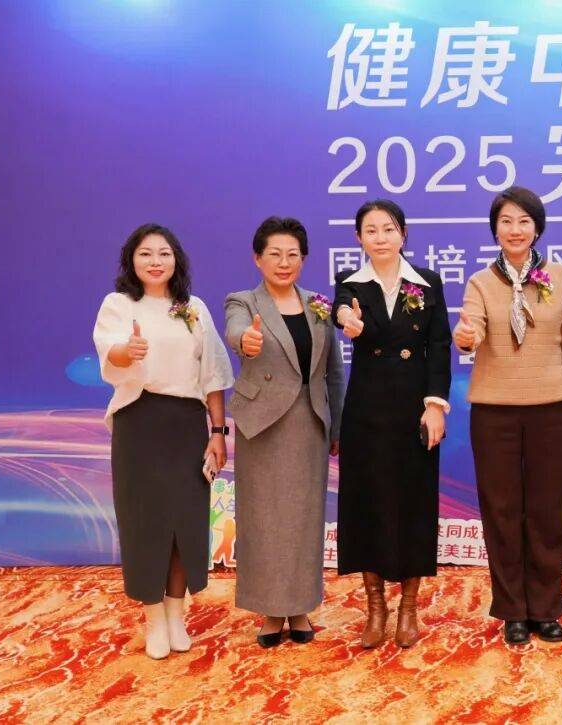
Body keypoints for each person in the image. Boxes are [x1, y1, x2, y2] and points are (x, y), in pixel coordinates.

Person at [452, 186, 562, 645]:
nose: (515, 230)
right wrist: (465, 337)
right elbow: (471, 330)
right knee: (502, 511)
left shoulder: (560, 276)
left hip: (552, 408)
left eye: (524, 221)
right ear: (495, 229)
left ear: (537, 228)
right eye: (506, 221)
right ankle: (513, 609)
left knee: (548, 511)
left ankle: (546, 608)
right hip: (494, 414)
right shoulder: (480, 282)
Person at [93, 223, 233, 659]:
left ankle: (176, 614)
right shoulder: (119, 304)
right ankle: (154, 617)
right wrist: (128, 351)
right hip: (139, 421)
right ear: (131, 261)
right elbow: (110, 352)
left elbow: (212, 375)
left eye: (164, 253)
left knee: (185, 523)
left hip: (187, 424)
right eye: (146, 254)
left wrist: (217, 432)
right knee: (145, 522)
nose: (155, 262)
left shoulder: (194, 308)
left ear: (176, 260)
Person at [333, 199, 452, 648]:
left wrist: (435, 405)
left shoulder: (427, 281)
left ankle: (408, 609)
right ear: (359, 238)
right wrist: (347, 320)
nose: (380, 238)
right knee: (367, 504)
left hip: (414, 409)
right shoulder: (350, 282)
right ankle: (376, 608)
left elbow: (439, 346)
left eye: (388, 229)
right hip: (366, 410)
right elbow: (341, 310)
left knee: (413, 503)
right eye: (371, 230)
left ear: (403, 233)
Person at [224, 216, 345, 648]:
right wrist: (246, 342)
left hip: (309, 422)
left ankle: (300, 607)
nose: (284, 262)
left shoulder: (319, 305)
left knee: (303, 520)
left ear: (304, 259)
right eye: (274, 254)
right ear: (257, 258)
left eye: (293, 254)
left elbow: (333, 371)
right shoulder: (243, 301)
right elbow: (236, 332)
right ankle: (271, 611)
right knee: (264, 519)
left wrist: (337, 425)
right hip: (262, 425)